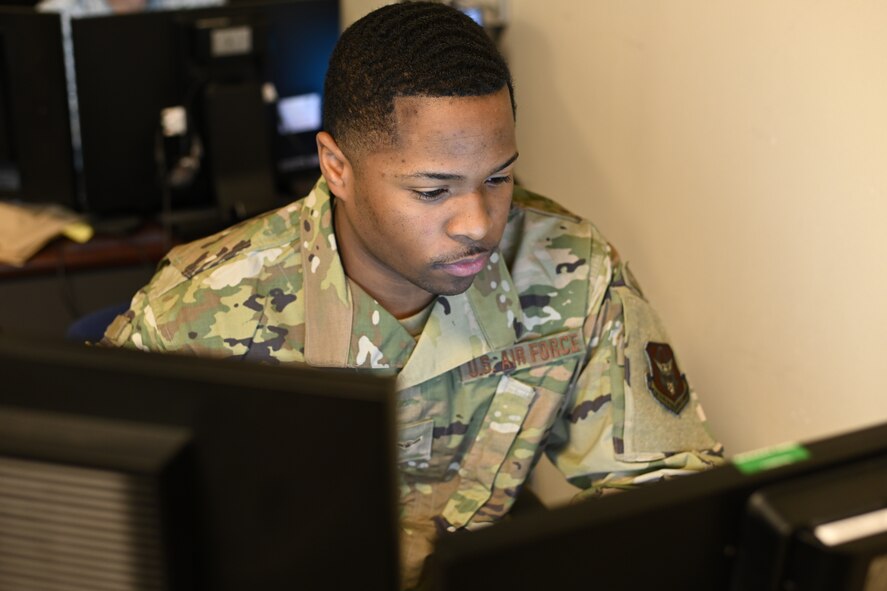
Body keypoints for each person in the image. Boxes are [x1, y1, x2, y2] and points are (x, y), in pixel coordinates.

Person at [102, 2, 723, 587]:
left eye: (498, 178)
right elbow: (105, 539)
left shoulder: (567, 269)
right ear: (336, 168)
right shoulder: (194, 314)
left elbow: (669, 495)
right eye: (433, 191)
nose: (478, 223)